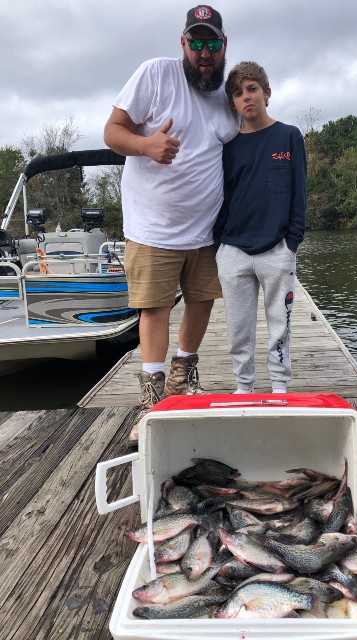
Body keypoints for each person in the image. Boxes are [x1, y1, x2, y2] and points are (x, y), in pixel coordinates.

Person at [104, 6, 239, 444]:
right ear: (182, 44)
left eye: (212, 44)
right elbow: (112, 130)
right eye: (196, 42)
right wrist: (146, 145)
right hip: (153, 227)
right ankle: (151, 400)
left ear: (224, 47)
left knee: (202, 302)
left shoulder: (226, 98)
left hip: (205, 230)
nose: (204, 52)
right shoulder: (155, 75)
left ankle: (183, 379)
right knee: (154, 309)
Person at [214, 61, 307, 394]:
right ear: (233, 103)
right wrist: (219, 246)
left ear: (267, 93)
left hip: (277, 250)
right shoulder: (227, 146)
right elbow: (219, 198)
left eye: (252, 89)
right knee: (239, 329)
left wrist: (292, 242)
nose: (246, 98)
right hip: (234, 251)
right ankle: (244, 387)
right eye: (238, 94)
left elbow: (300, 193)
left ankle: (280, 386)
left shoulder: (289, 136)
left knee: (280, 324)